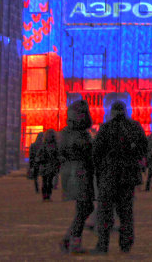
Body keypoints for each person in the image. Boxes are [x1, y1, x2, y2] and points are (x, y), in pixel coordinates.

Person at [92, 101, 148, 254]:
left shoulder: (106, 128)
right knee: (126, 212)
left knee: (105, 212)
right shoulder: (134, 127)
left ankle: (103, 245)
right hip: (128, 175)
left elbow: (96, 152)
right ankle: (126, 244)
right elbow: (144, 147)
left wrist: (101, 169)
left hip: (109, 175)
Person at [57, 100, 94, 253]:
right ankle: (73, 241)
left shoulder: (66, 132)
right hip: (79, 171)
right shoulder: (79, 134)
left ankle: (69, 239)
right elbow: (83, 151)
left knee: (84, 207)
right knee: (84, 207)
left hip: (72, 170)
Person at [35, 129, 61, 201]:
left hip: (44, 166)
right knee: (49, 181)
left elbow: (38, 155)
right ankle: (48, 195)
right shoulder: (55, 146)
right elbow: (58, 156)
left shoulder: (43, 145)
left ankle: (45, 195)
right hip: (51, 166)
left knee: (45, 181)